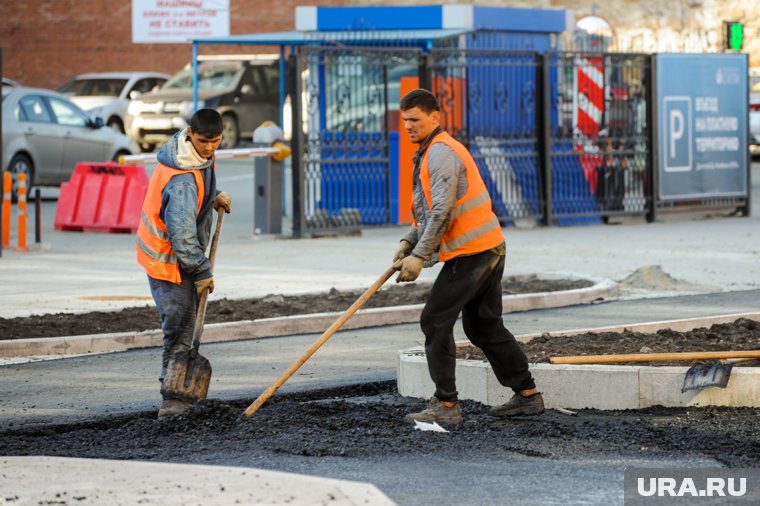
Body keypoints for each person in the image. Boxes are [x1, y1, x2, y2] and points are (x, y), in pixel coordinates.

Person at [394, 88, 543, 425]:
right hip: (489, 247)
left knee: (434, 320)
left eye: (415, 119)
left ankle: (446, 406)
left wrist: (419, 256)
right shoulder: (430, 151)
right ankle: (528, 396)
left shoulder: (441, 152)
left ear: (435, 117)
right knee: (484, 326)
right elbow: (431, 211)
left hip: (473, 253)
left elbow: (444, 211)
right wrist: (408, 241)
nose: (409, 126)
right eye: (405, 121)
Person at [136, 108, 232, 418]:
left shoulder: (193, 154)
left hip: (181, 261)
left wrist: (212, 196)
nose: (209, 148)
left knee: (185, 326)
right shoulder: (181, 182)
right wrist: (202, 271)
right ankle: (173, 402)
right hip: (170, 264)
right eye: (204, 141)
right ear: (190, 133)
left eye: (215, 141)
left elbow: (196, 190)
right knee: (179, 329)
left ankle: (176, 392)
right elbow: (182, 237)